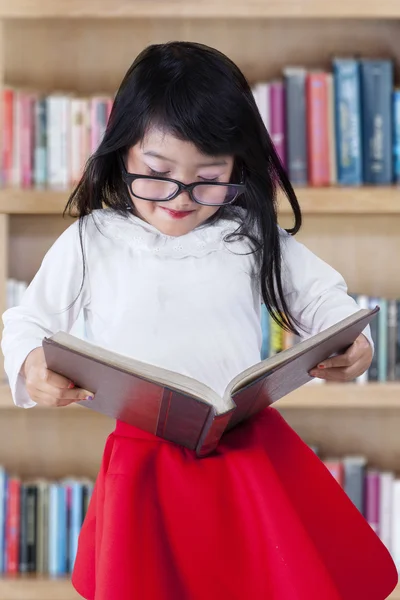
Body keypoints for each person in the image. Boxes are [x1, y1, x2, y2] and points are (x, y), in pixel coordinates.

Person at [1, 41, 397, 600]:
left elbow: (326, 299)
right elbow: (25, 319)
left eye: (210, 177)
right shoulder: (91, 241)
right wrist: (29, 364)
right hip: (145, 459)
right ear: (122, 155)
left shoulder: (249, 237)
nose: (180, 199)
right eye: (157, 174)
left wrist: (353, 341)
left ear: (239, 166)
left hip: (244, 449)